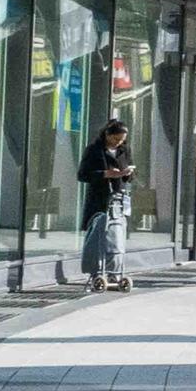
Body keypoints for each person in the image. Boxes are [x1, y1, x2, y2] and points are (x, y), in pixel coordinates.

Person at [78, 116, 138, 290]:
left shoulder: (124, 151)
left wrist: (127, 173)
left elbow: (131, 174)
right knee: (98, 234)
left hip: (118, 199)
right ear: (107, 135)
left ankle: (115, 270)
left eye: (122, 140)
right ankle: (97, 270)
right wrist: (105, 174)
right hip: (99, 199)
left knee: (116, 235)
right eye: (116, 139)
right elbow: (82, 175)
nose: (119, 143)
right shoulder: (94, 150)